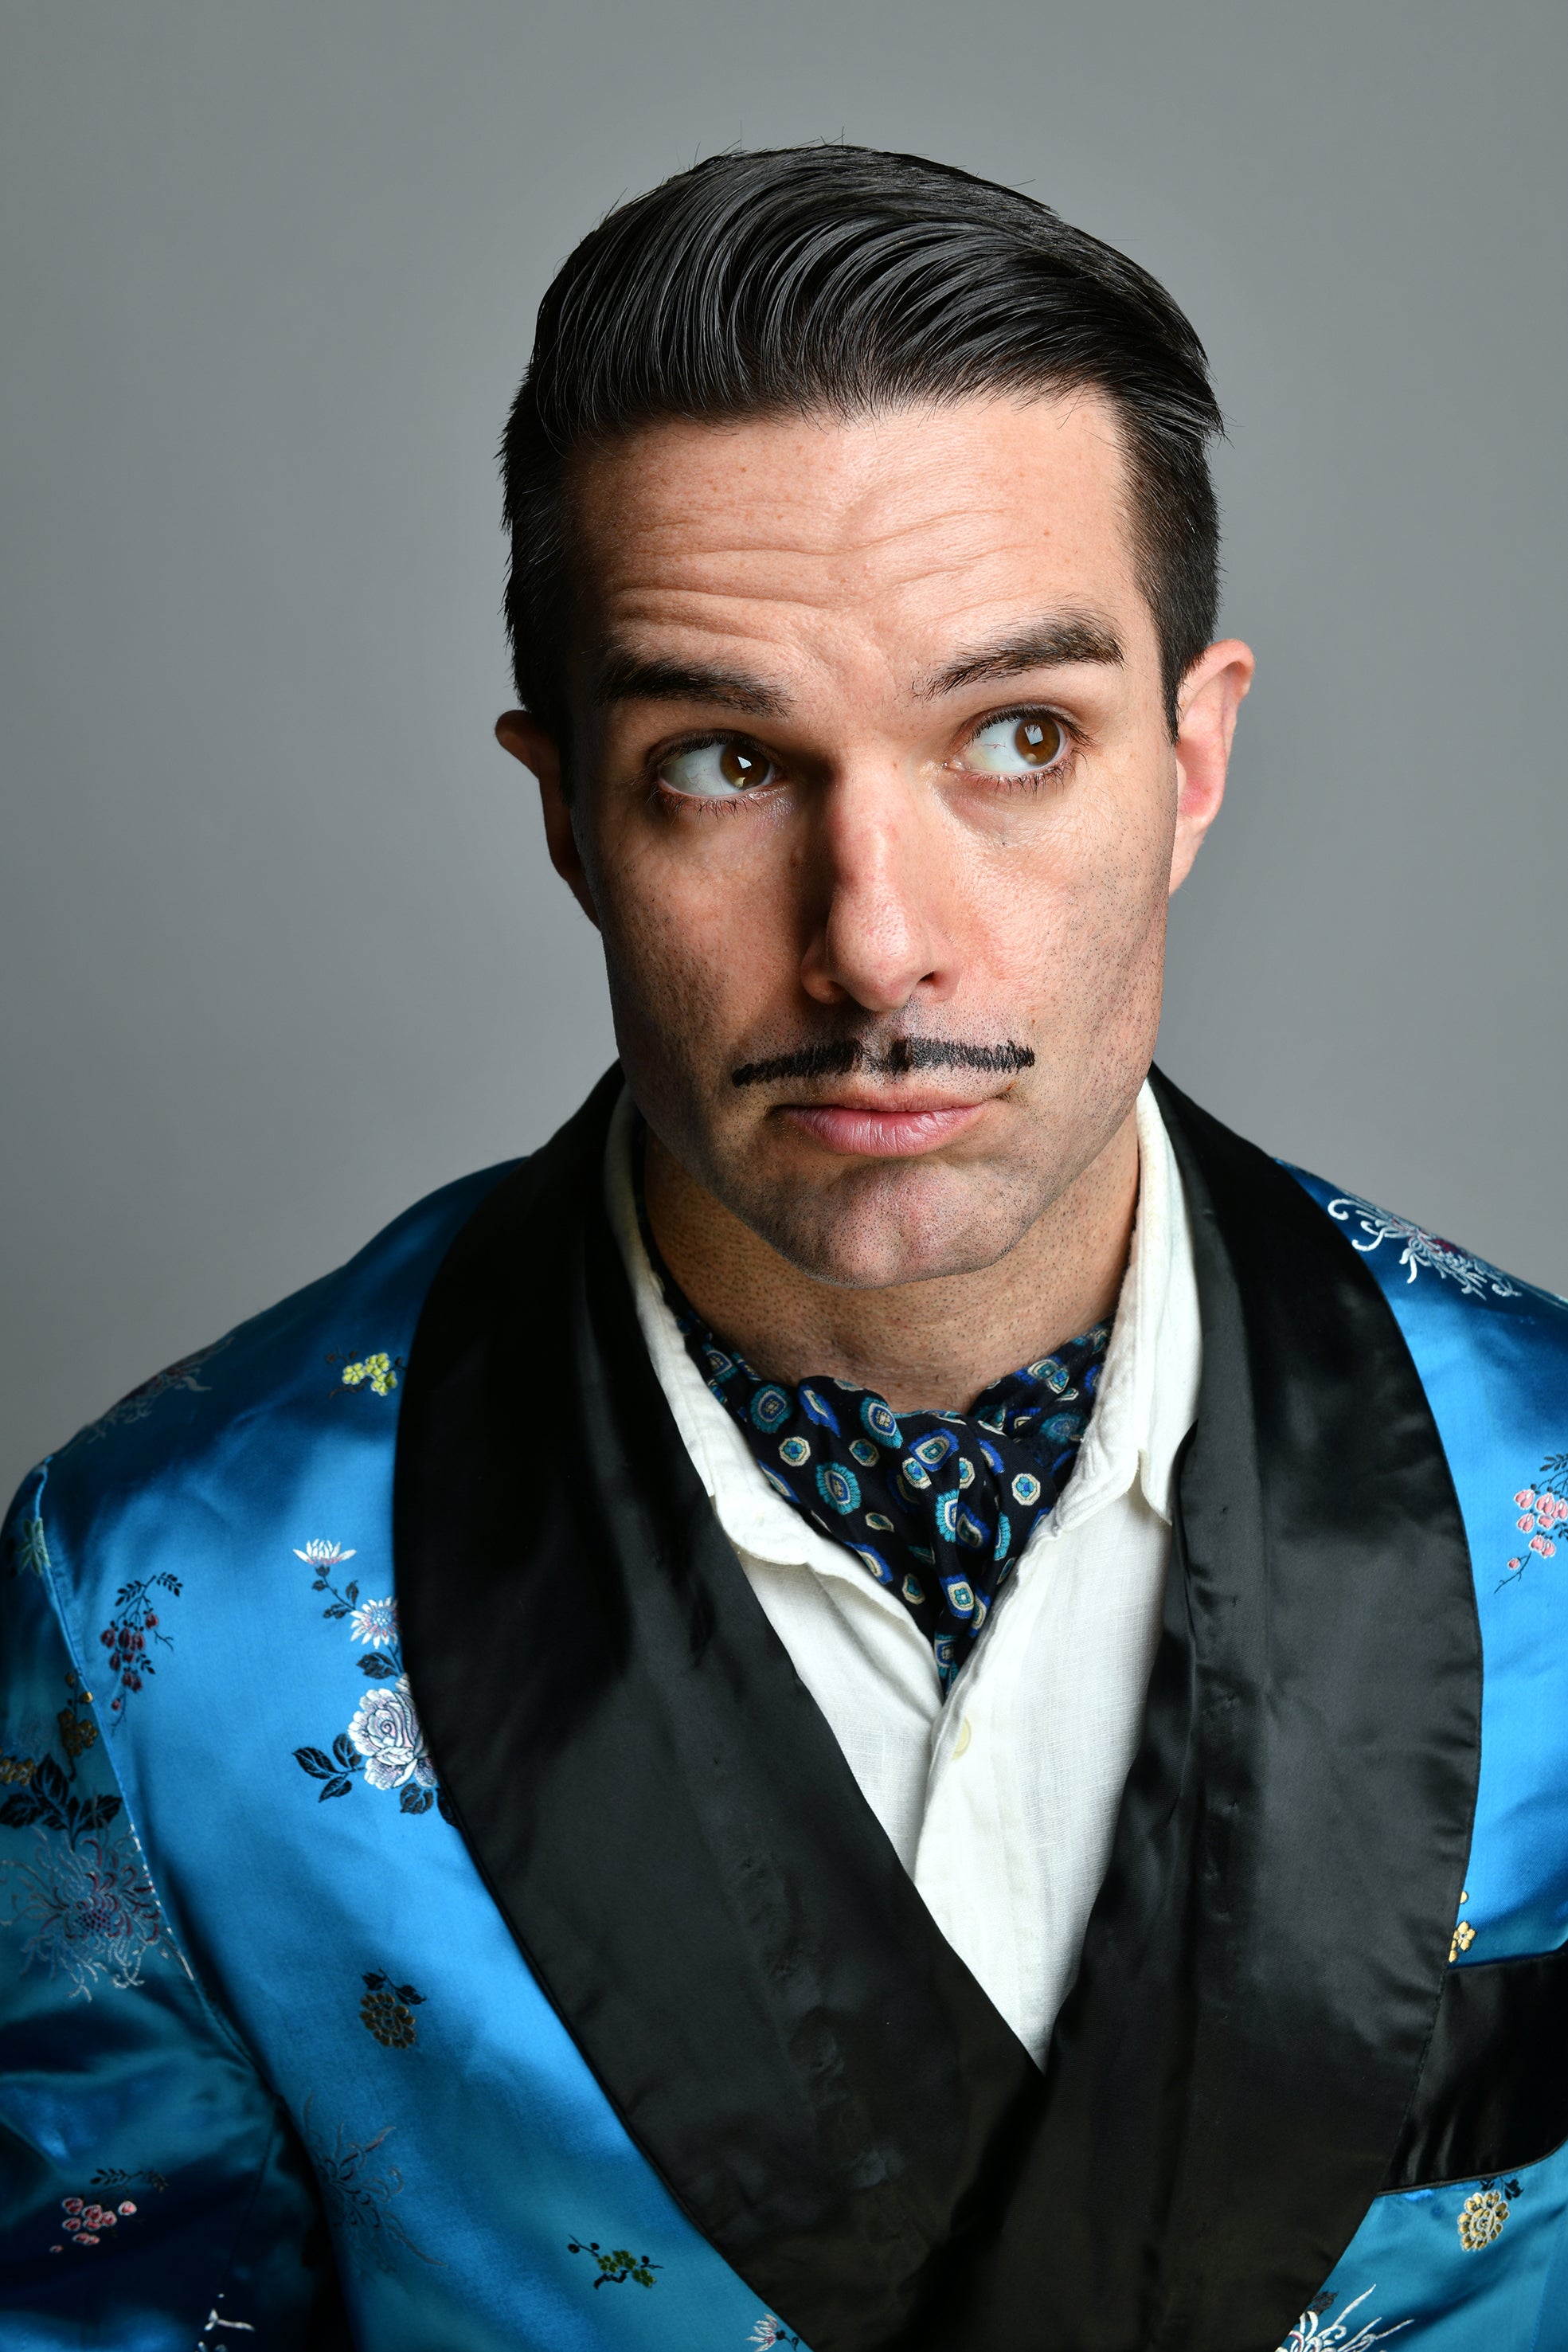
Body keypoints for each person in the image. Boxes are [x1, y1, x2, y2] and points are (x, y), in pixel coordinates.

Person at [1, 144, 1563, 2352]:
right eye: (727, 764)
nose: (877, 944)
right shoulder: (164, 1614)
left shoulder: (1557, 1488)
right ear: (567, 811)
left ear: (1192, 762)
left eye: (1016, 739)